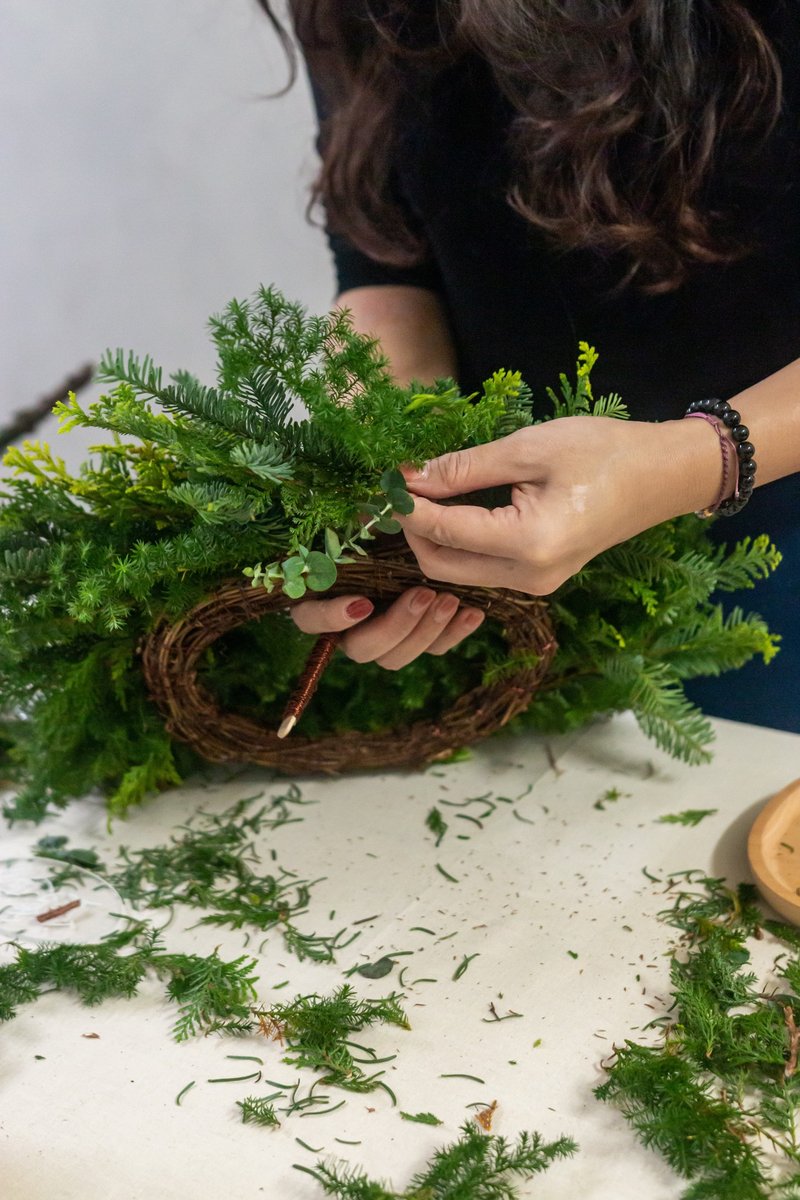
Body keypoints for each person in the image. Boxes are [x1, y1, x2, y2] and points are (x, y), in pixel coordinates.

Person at [262, 1, 800, 732]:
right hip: (508, 565)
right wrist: (390, 483)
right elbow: (387, 265)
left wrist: (696, 458)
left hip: (773, 546)